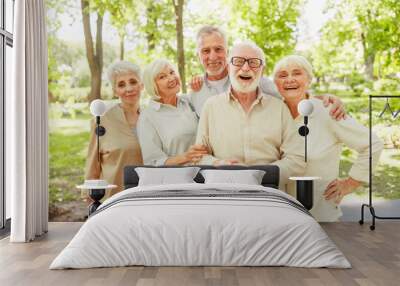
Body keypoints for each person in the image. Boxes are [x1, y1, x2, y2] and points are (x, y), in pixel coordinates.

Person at [273, 55, 383, 222]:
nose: (289, 79)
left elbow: (372, 144)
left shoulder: (327, 111)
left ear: (308, 80)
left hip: (320, 217)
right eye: (282, 75)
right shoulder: (271, 114)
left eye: (297, 73)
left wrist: (351, 183)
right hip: (279, 219)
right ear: (276, 84)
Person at [195, 42, 306, 187]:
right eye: (239, 61)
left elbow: (296, 160)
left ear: (262, 70)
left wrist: (259, 174)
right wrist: (217, 163)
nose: (246, 68)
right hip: (224, 196)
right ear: (228, 67)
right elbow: (197, 157)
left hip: (269, 197)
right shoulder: (211, 106)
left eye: (254, 63)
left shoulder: (279, 108)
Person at [189, 25, 346, 120]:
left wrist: (322, 99)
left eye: (218, 49)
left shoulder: (254, 80)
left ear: (228, 53)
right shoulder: (195, 91)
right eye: (205, 51)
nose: (213, 56)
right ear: (198, 55)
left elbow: (291, 98)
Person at [85, 61, 143, 196]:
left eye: (133, 82)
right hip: (113, 198)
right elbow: (93, 166)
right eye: (121, 84)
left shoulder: (151, 117)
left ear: (142, 85)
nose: (128, 88)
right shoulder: (102, 120)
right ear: (115, 91)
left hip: (145, 197)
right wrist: (90, 201)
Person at [137, 59, 209, 165]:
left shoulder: (189, 101)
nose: (171, 78)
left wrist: (201, 82)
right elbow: (153, 162)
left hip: (207, 173)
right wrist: (186, 157)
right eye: (162, 77)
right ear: (152, 85)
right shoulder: (147, 117)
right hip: (177, 178)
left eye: (172, 72)